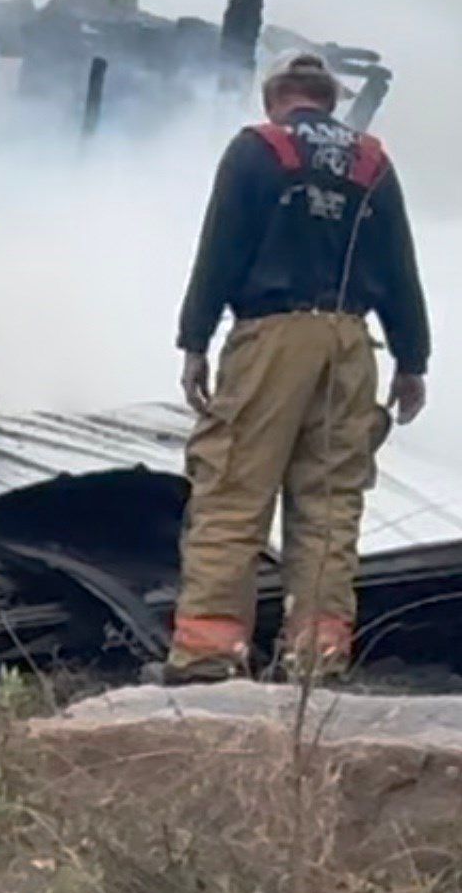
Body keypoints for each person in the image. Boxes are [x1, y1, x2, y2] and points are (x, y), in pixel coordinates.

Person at [168, 51, 429, 683]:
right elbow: (400, 265)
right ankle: (317, 656)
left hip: (272, 337)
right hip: (350, 344)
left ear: (274, 98)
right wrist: (412, 359)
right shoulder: (372, 162)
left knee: (233, 490)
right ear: (330, 100)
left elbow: (220, 245)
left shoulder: (259, 149)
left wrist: (195, 338)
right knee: (331, 501)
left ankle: (207, 653)